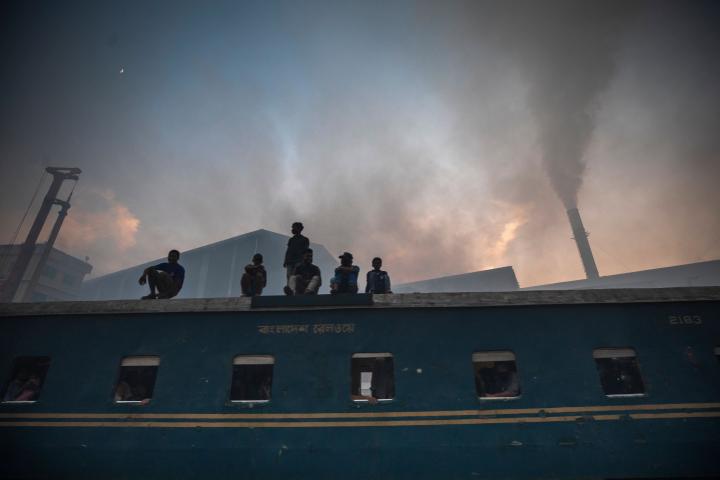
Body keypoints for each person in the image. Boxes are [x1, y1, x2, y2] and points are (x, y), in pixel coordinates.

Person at [283, 222, 309, 295]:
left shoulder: (304, 239)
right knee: (289, 276)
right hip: (290, 261)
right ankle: (289, 291)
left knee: (295, 276)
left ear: (299, 228)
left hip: (298, 261)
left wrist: (303, 261)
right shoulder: (291, 239)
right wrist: (285, 261)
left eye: (294, 227)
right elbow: (288, 250)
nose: (292, 229)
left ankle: (294, 291)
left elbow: (305, 251)